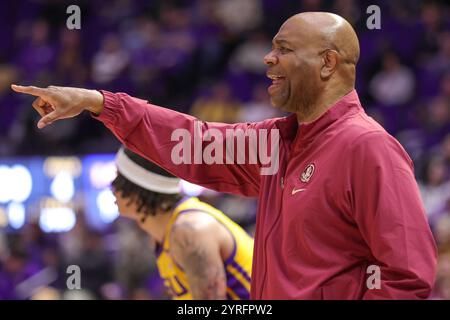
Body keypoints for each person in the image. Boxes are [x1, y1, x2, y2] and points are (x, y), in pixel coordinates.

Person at [12, 12, 437, 299]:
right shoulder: (275, 143)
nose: (269, 57)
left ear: (327, 62)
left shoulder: (367, 147)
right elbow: (192, 140)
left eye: (284, 49)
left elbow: (408, 276)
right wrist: (98, 103)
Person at [111, 147, 253, 300]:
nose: (112, 188)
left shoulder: (190, 231)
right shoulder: (162, 233)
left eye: (118, 179)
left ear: (138, 189)